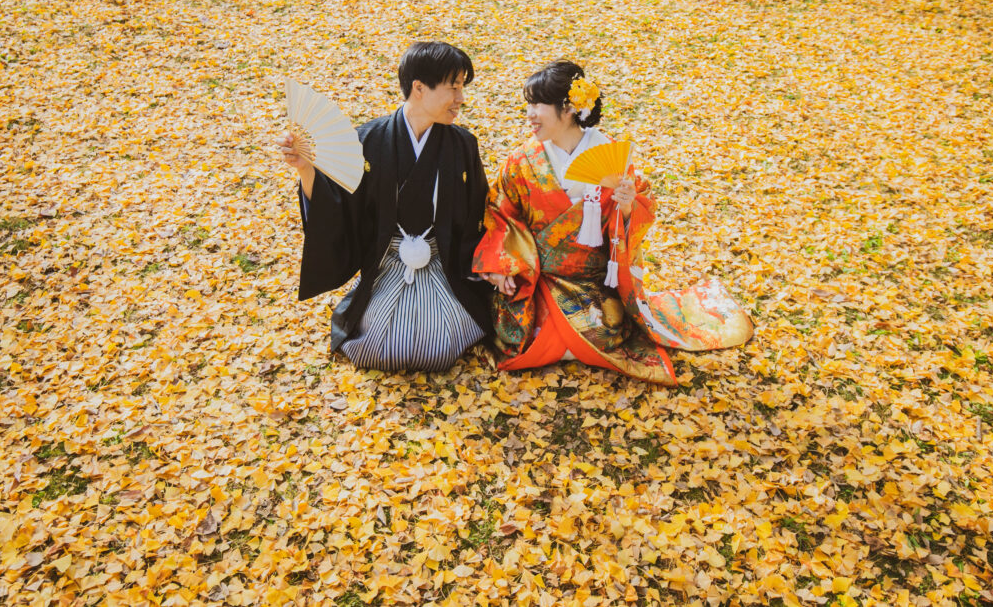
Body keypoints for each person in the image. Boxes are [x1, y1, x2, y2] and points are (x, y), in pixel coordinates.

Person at [473, 61, 753, 386]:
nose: (530, 115)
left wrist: (628, 206)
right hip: (540, 278)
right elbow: (500, 213)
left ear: (567, 108)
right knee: (520, 334)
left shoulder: (608, 154)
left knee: (602, 331)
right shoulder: (522, 161)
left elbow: (636, 218)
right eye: (528, 105)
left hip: (592, 281)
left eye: (537, 105)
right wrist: (502, 267)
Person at [277, 41, 492, 372]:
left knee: (440, 345)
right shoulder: (368, 140)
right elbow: (337, 210)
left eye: (462, 87)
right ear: (419, 88)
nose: (460, 99)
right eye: (454, 87)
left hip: (442, 263)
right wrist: (306, 169)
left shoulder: (462, 145)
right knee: (379, 348)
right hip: (387, 264)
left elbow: (478, 215)